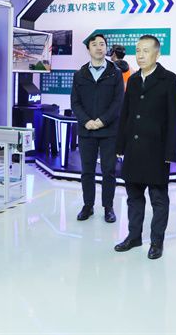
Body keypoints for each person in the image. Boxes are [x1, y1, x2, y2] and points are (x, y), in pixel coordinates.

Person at [114, 35, 176, 260]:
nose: (140, 55)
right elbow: (126, 114)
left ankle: (156, 242)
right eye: (138, 50)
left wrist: (170, 152)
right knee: (133, 197)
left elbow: (174, 119)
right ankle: (134, 236)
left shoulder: (170, 80)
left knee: (158, 199)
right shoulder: (133, 80)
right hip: (133, 149)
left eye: (146, 50)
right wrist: (120, 145)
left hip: (157, 150)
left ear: (157, 54)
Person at [71, 34, 124, 222]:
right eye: (94, 44)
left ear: (106, 48)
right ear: (89, 49)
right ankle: (88, 206)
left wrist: (102, 121)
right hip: (86, 130)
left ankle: (108, 207)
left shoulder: (115, 73)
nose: (99, 47)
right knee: (87, 171)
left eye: (102, 44)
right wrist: (86, 121)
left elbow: (118, 102)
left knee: (109, 171)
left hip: (109, 131)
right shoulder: (79, 74)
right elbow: (75, 102)